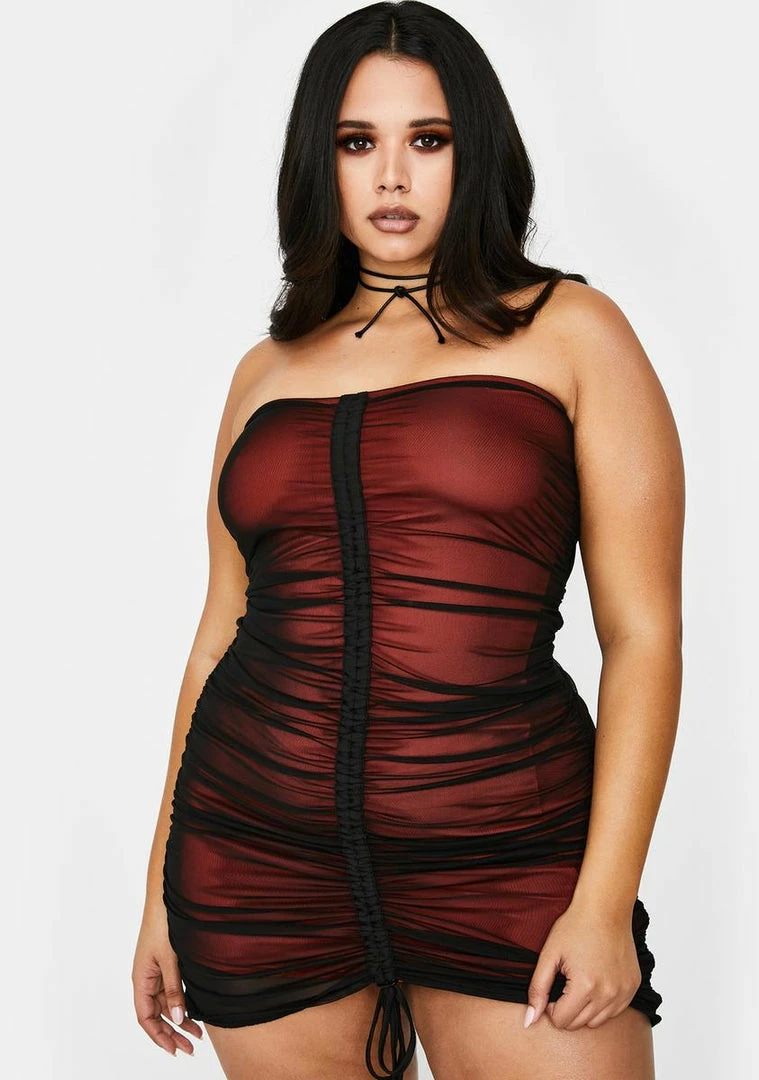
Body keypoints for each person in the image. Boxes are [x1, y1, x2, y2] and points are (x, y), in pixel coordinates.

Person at [131, 3, 684, 1078]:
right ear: (319, 161)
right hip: (254, 855)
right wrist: (160, 890)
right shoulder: (267, 369)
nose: (391, 177)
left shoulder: (574, 332)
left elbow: (643, 635)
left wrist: (604, 899)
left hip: (506, 849)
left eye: (428, 139)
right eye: (356, 142)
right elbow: (219, 632)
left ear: (476, 154)